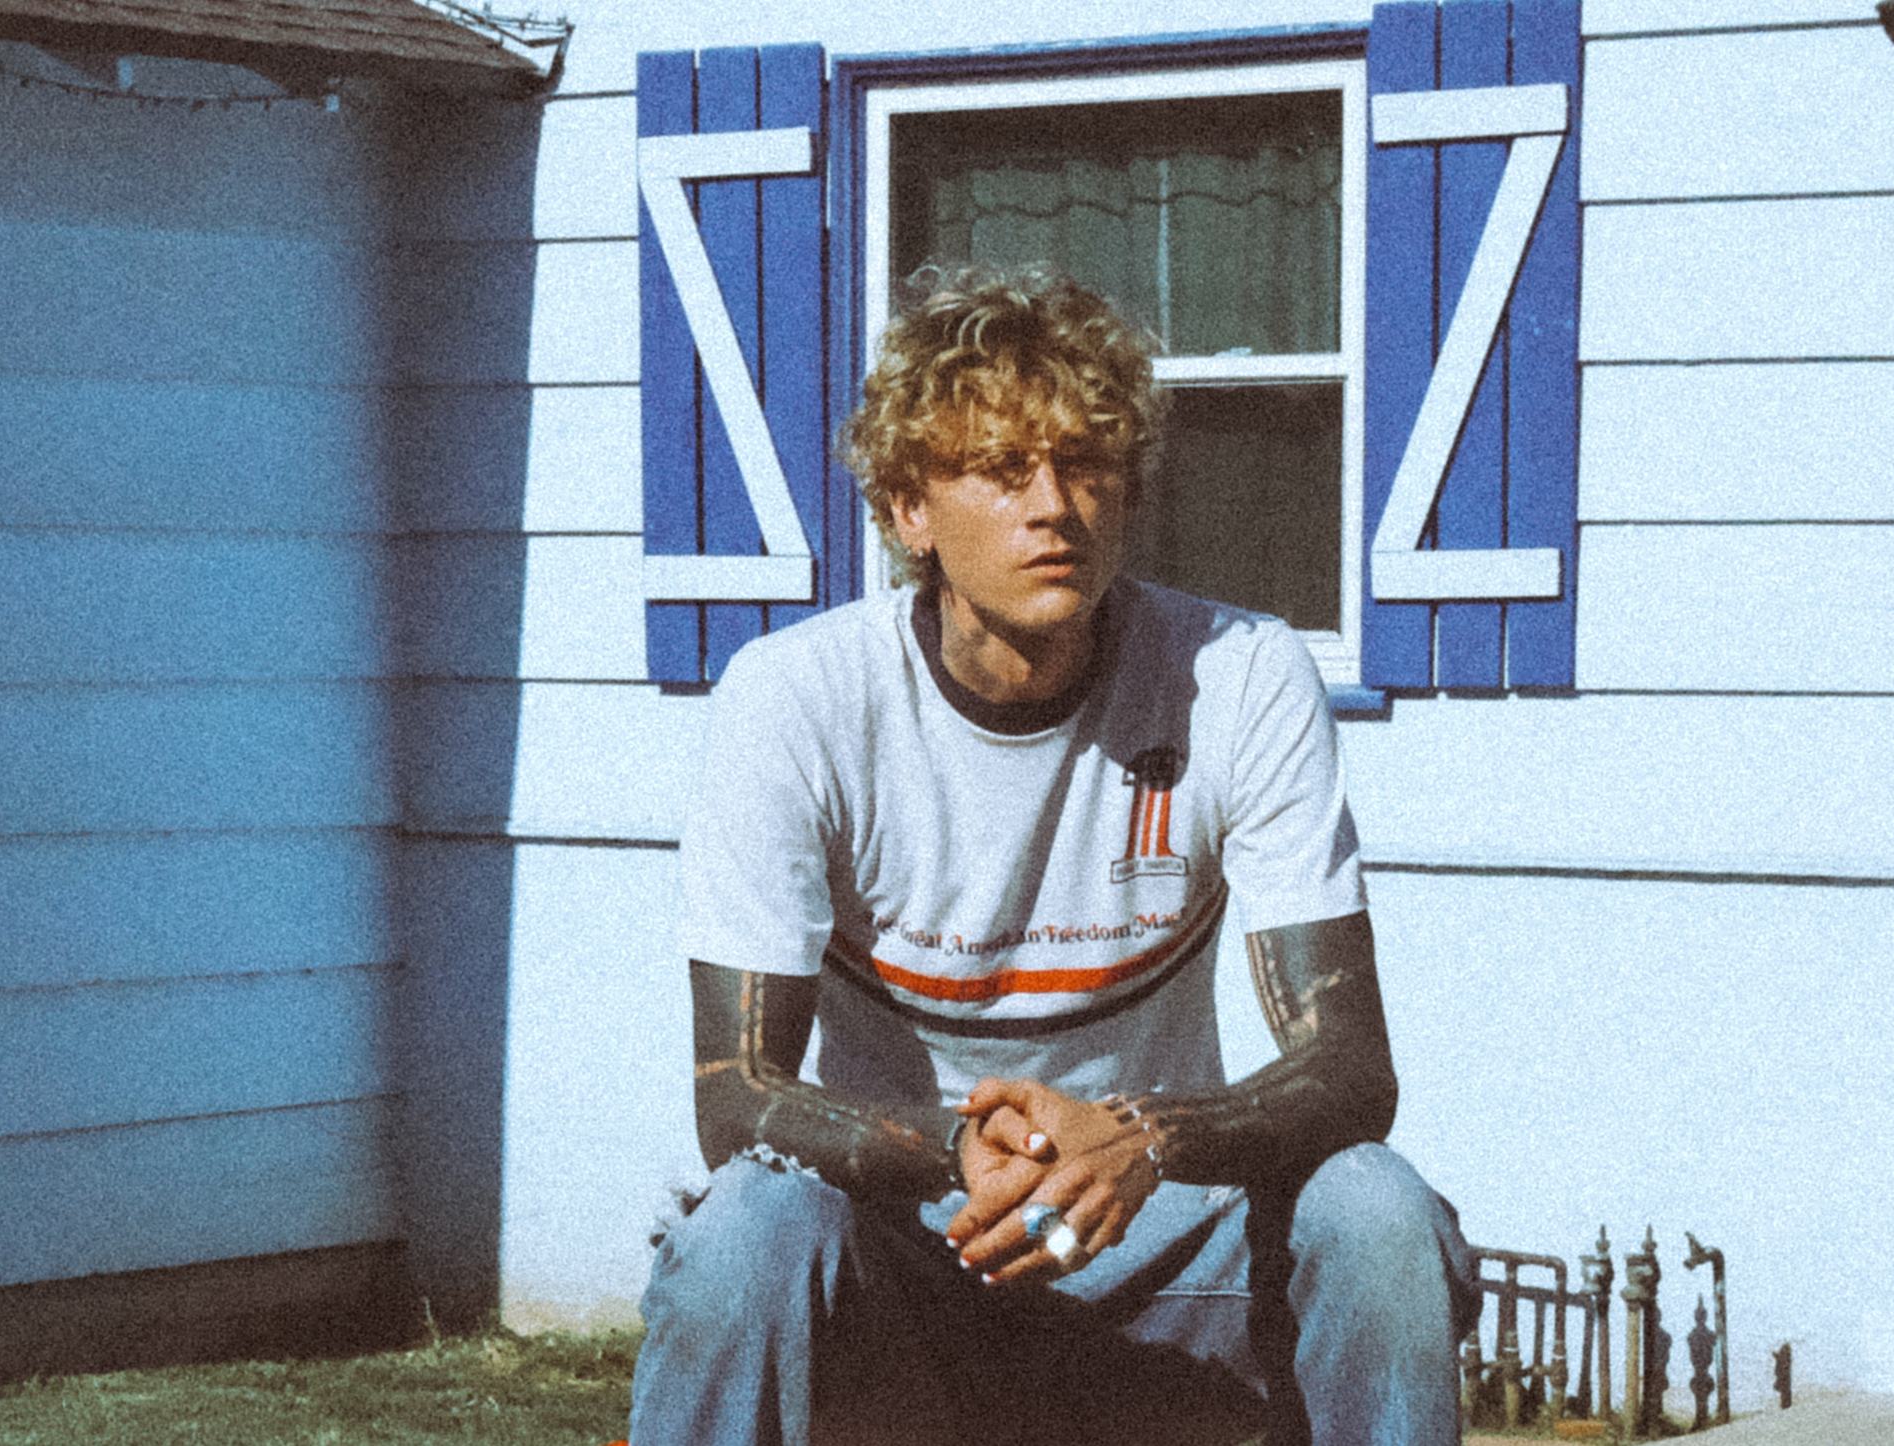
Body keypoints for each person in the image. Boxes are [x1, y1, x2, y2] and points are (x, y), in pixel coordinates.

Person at [630, 268, 1479, 1446]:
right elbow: (734, 1094)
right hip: (916, 1240)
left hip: (1158, 1235)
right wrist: (949, 1145)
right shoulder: (795, 699)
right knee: (741, 1232)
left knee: (1375, 1209)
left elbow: (1348, 1068)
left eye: (1086, 464)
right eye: (1001, 468)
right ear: (908, 510)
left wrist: (1142, 1135)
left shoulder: (1239, 674)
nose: (1055, 507)